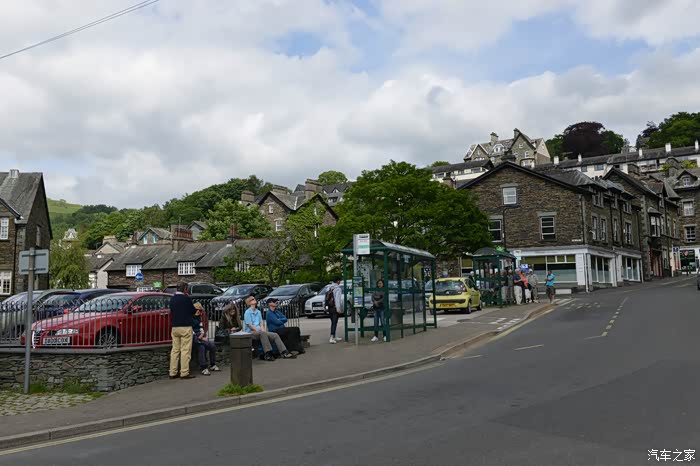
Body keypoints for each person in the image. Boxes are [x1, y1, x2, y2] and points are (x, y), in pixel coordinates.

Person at [242, 295, 295, 361]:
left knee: (275, 335)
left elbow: (261, 324)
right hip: (250, 332)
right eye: (252, 299)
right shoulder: (247, 312)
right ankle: (268, 354)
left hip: (260, 332)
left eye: (254, 298)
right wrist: (260, 331)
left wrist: (263, 331)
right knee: (263, 334)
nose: (254, 299)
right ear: (249, 302)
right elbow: (250, 325)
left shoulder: (258, 312)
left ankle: (284, 352)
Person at [169, 282, 197, 379]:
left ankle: (173, 372)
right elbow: (193, 311)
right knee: (185, 350)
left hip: (175, 327)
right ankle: (184, 372)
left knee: (175, 350)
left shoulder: (172, 299)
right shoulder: (186, 299)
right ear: (185, 289)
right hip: (185, 326)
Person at [192, 303, 220, 376]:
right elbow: (190, 330)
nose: (198, 311)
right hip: (194, 338)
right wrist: (199, 337)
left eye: (200, 310)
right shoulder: (190, 318)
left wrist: (202, 334)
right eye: (196, 310)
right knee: (201, 347)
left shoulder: (199, 318)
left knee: (212, 345)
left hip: (200, 337)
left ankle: (212, 364)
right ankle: (203, 367)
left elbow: (201, 327)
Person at [327, 276, 345, 344]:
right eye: (339, 280)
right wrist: (338, 308)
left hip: (330, 307)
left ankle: (334, 335)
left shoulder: (329, 288)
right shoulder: (338, 289)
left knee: (333, 322)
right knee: (334, 322)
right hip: (334, 308)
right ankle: (332, 337)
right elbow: (337, 299)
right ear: (338, 281)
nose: (340, 282)